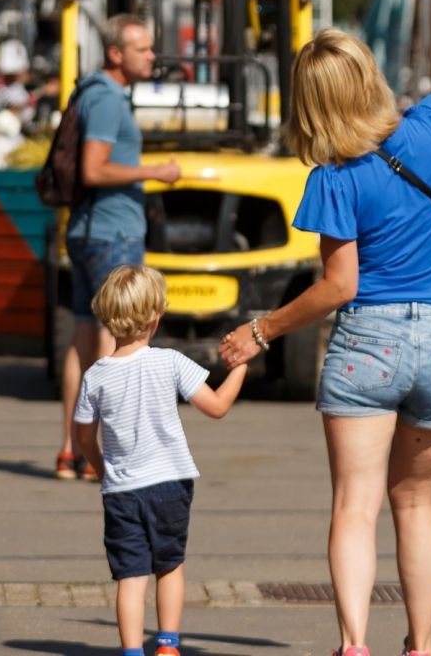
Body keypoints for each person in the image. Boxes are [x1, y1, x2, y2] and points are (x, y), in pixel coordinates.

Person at [217, 0, 431, 656]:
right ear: (368, 79)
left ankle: (355, 643)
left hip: (371, 347)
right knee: (416, 502)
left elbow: (339, 287)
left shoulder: (334, 178)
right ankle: (421, 646)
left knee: (355, 507)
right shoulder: (426, 128)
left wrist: (261, 331)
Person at [73, 265, 247, 656]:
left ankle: (132, 651)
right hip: (170, 484)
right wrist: (240, 370)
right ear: (157, 317)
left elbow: (83, 436)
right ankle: (167, 645)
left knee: (131, 576)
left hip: (121, 491)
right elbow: (216, 407)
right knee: (169, 565)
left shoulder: (94, 376)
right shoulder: (169, 362)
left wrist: (103, 470)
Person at [55, 13, 181, 481]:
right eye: (143, 48)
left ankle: (71, 450)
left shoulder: (89, 91)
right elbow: (95, 169)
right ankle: (105, 455)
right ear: (116, 53)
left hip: (89, 230)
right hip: (113, 233)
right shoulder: (107, 99)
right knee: (120, 341)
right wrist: (155, 172)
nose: (152, 56)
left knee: (83, 338)